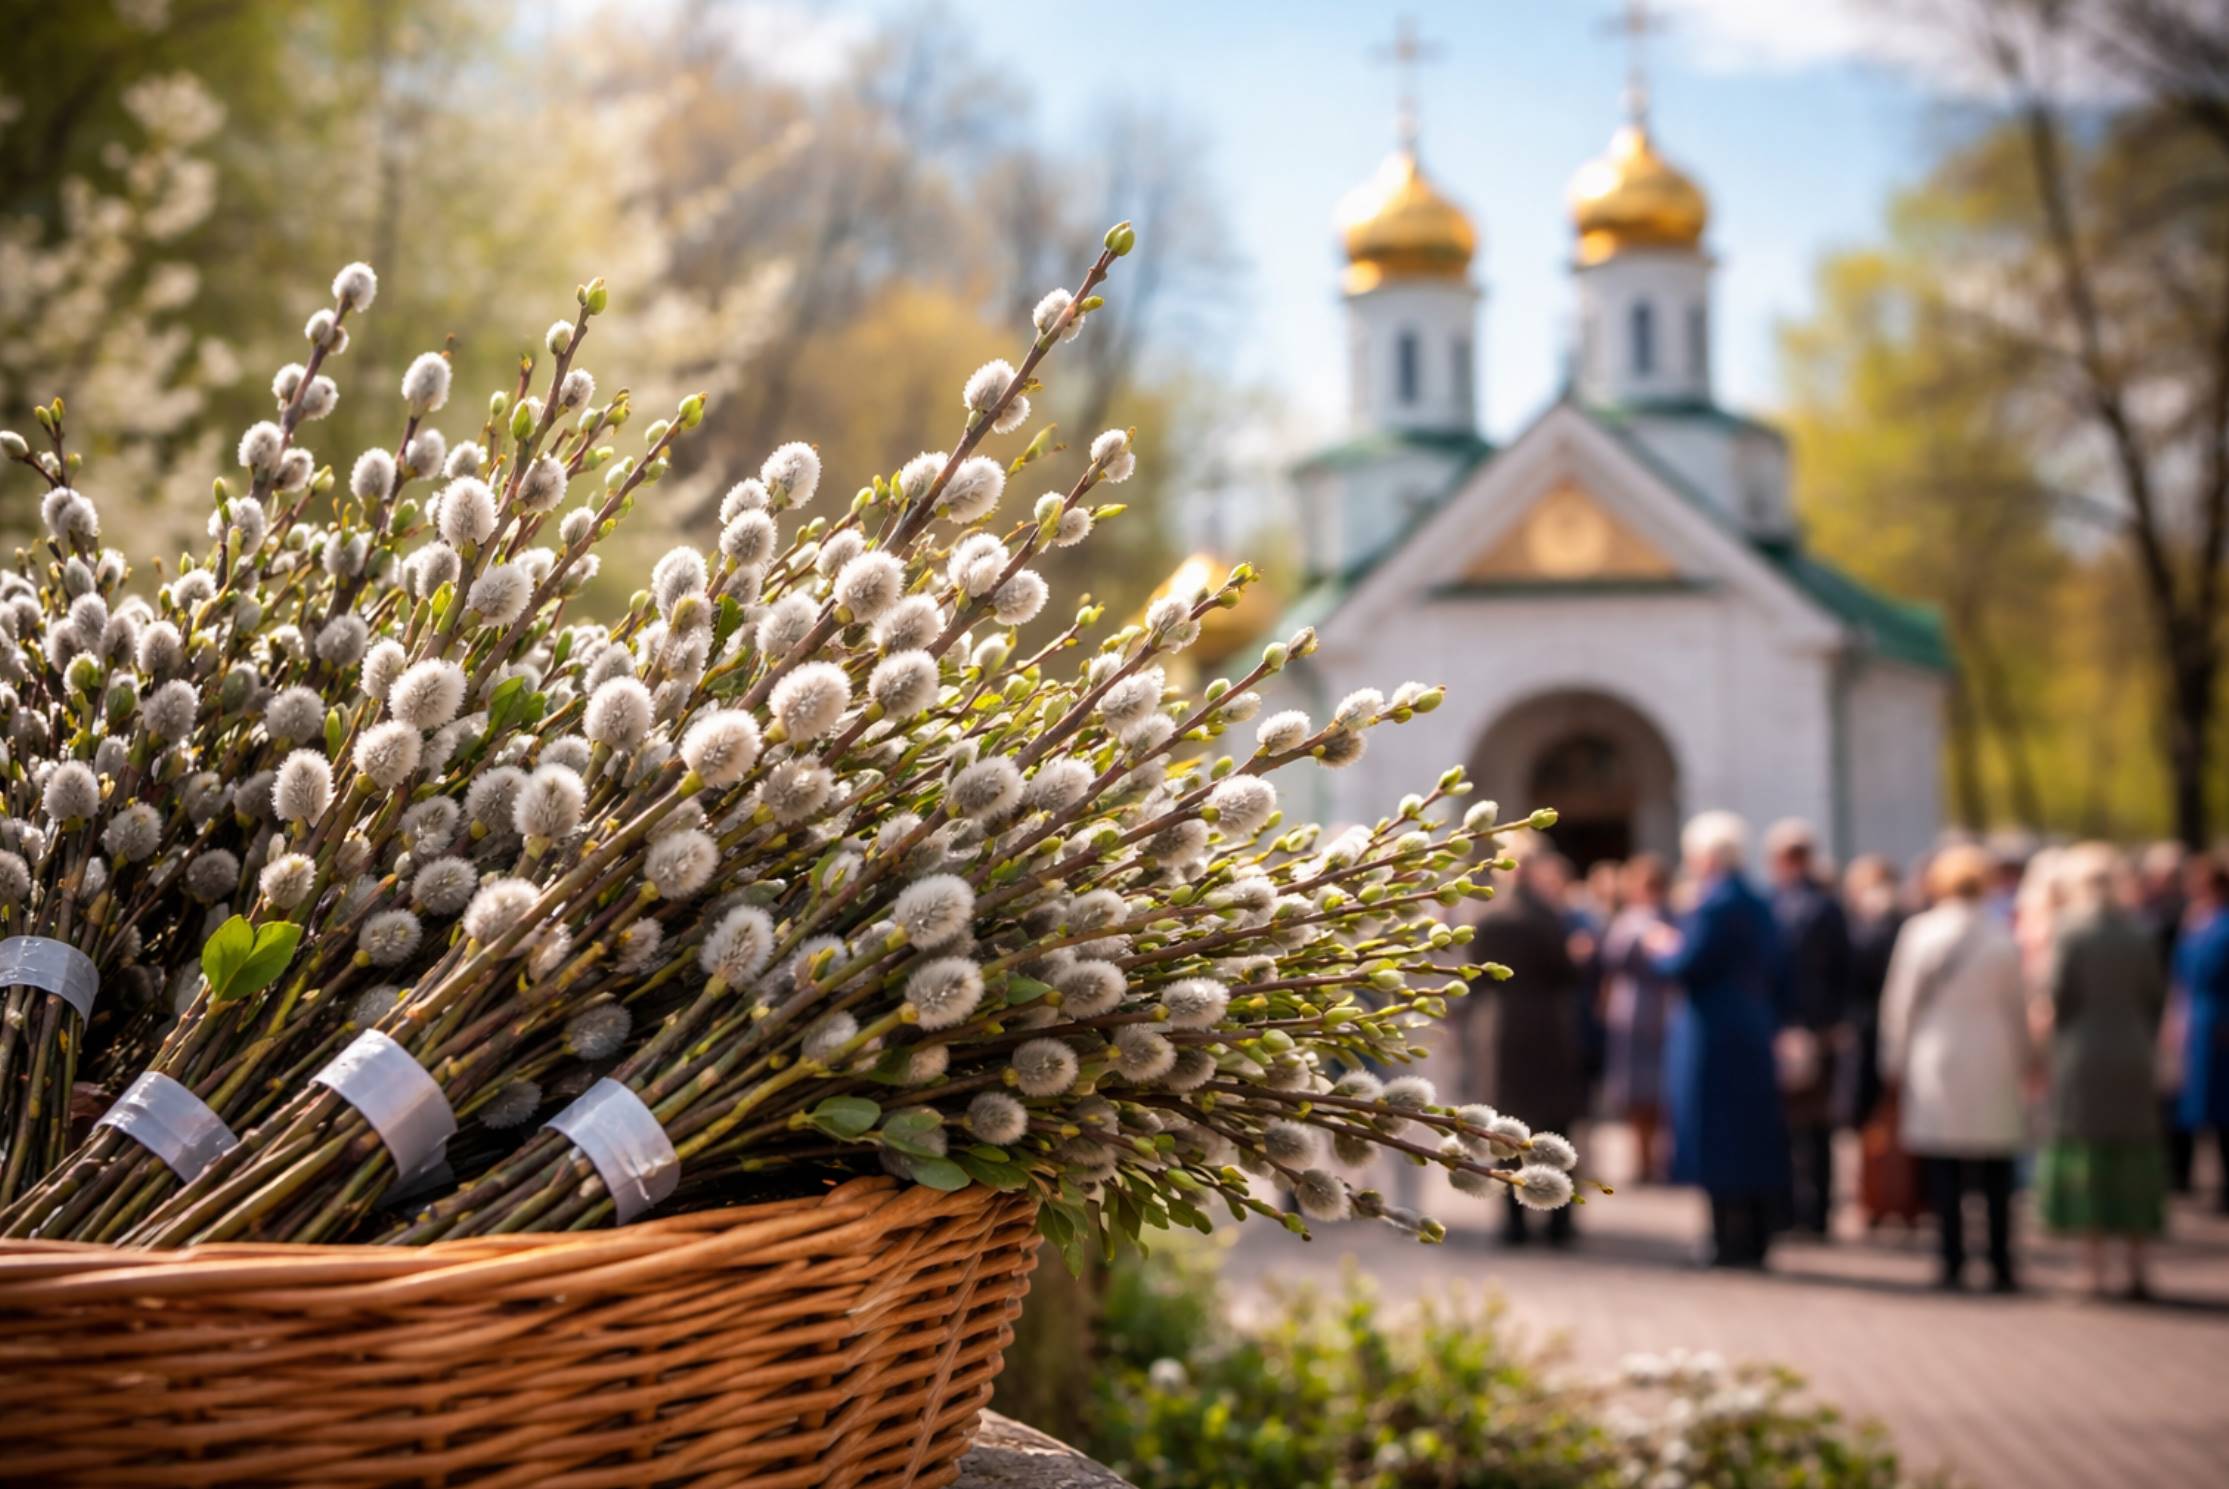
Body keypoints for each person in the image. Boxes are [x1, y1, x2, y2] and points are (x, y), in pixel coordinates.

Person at [1878, 844, 2032, 1292]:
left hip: (1937, 1055)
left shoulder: (1921, 933)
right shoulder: (2000, 933)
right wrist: (2027, 1059)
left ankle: (1951, 1260)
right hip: (1993, 1055)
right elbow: (2017, 1006)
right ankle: (2001, 1262)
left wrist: (1893, 1059)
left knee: (1944, 1166)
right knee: (1995, 1169)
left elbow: (1899, 1005)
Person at [1647, 811, 1793, 1268]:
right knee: (1754, 1135)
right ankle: (1757, 1237)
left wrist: (1661, 947)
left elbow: (1687, 964)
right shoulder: (1758, 901)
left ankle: (1726, 1239)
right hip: (1751, 1028)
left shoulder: (1713, 904)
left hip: (1712, 1035)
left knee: (1716, 1136)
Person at [2035, 844, 2170, 1300]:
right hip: (2132, 1052)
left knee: (2087, 1156)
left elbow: (2058, 994)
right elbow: (2155, 997)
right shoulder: (2138, 932)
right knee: (2134, 1157)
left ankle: (2093, 1268)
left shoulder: (2070, 932)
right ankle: (2137, 1266)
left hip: (2084, 1055)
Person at [1465, 841, 1589, 1245]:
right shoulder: (1545, 917)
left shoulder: (1488, 917)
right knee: (1552, 1125)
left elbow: (1475, 978)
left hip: (1499, 1030)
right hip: (1545, 1030)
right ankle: (1557, 1220)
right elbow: (1567, 972)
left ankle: (1513, 1221)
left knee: (1508, 1130)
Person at [1765, 819, 1851, 1237]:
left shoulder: (1781, 904)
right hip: (1816, 1026)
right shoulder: (1825, 905)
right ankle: (1814, 1212)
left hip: (1791, 1027)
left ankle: (1794, 1210)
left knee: (1795, 1125)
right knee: (1812, 1127)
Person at [1842, 855, 1919, 1225]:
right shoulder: (1906, 920)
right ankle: (1897, 1198)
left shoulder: (1874, 925)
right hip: (1890, 1028)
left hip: (1875, 1029)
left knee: (1874, 1116)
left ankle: (1880, 1197)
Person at [1598, 855, 1677, 1181]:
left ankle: (1658, 1158)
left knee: (1659, 1088)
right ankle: (1643, 1157)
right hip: (1636, 1009)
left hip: (1653, 1007)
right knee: (1636, 1091)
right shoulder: (1633, 920)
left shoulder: (1661, 918)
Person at [2173, 852, 2229, 1211]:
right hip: (2199, 1017)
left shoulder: (2218, 923)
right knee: (2202, 1104)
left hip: (2220, 1018)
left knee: (2223, 1106)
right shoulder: (2197, 921)